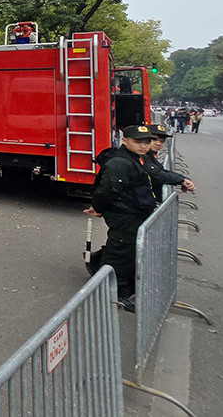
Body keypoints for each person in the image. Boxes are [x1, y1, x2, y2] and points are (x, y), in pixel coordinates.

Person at [83, 125, 160, 308]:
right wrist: (98, 208)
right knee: (120, 252)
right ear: (125, 141)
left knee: (123, 247)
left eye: (147, 142)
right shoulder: (120, 162)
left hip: (132, 212)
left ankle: (98, 265)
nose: (143, 146)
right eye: (138, 142)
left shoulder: (134, 159)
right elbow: (107, 190)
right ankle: (114, 293)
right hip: (123, 213)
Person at [144, 124, 196, 198]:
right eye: (154, 139)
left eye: (162, 141)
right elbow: (157, 175)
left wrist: (182, 179)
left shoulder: (150, 154)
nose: (158, 143)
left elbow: (161, 170)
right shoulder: (142, 155)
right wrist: (181, 180)